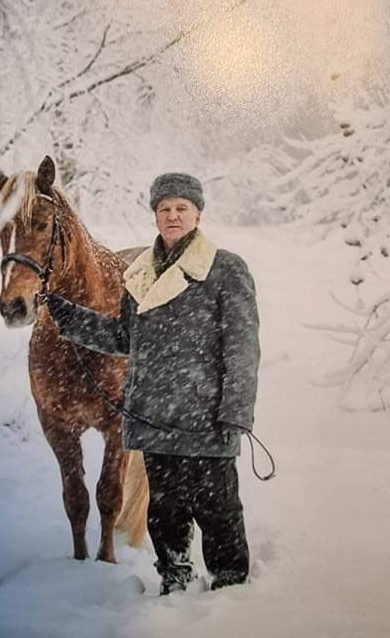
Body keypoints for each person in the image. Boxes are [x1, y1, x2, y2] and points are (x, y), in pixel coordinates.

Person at [44, 172, 260, 595]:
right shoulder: (141, 273)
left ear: (198, 215)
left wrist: (236, 411)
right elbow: (124, 337)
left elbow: (242, 346)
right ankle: (174, 581)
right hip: (154, 417)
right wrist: (68, 317)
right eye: (164, 209)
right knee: (165, 512)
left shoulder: (225, 269)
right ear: (155, 216)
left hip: (206, 418)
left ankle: (231, 589)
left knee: (218, 510)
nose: (172, 216)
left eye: (182, 208)